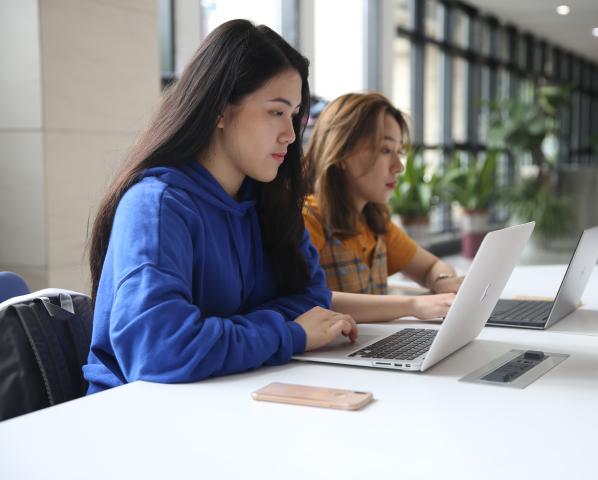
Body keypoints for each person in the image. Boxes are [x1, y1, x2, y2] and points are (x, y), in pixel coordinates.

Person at [83, 20, 357, 394]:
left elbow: (313, 298)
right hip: (138, 420)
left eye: (294, 116)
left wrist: (222, 336)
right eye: (276, 112)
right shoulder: (157, 206)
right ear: (221, 110)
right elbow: (159, 349)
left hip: (233, 398)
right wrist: (287, 334)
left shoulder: (270, 201)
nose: (291, 136)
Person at [303, 92, 464, 323]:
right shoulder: (307, 219)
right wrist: (413, 304)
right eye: (385, 150)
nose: (398, 166)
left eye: (398, 152)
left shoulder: (374, 222)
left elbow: (432, 266)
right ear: (341, 154)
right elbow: (306, 300)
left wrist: (442, 280)